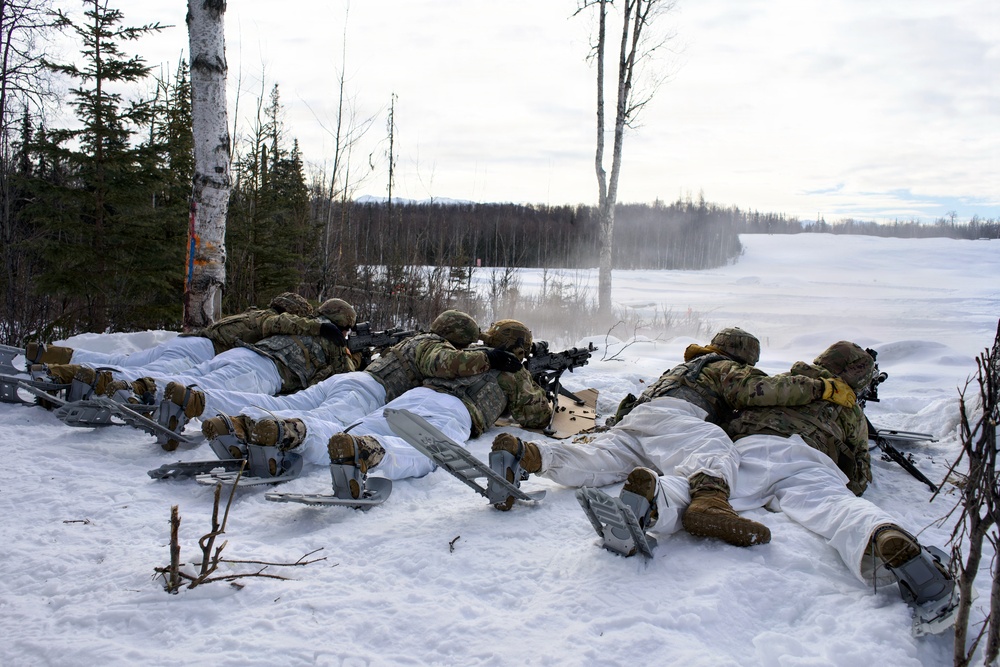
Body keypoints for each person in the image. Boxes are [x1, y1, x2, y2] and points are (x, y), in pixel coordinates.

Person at [590, 342, 955, 631]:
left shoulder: (786, 382)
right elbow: (858, 477)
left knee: (714, 490)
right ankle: (885, 538)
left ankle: (654, 499)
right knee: (836, 505)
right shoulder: (850, 409)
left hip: (750, 446)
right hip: (808, 459)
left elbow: (739, 406)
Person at [488, 327, 858, 544]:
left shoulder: (683, 366)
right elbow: (759, 393)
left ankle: (530, 456)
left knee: (595, 462)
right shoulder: (724, 367)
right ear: (745, 358)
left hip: (635, 423)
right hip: (676, 418)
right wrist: (821, 389)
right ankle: (710, 502)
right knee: (717, 447)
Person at [200, 318, 546, 497]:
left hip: (407, 399)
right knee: (423, 452)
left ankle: (285, 431)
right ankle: (368, 453)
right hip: (450, 412)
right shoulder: (512, 372)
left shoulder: (463, 353)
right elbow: (538, 416)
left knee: (336, 431)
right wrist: (534, 383)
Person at [39, 298, 360, 425]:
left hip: (230, 353)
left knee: (134, 362)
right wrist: (349, 352)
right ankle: (104, 382)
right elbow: (345, 381)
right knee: (195, 389)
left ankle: (68, 361)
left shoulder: (266, 319)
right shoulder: (320, 337)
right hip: (252, 366)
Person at [22, 292, 313, 376]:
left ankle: (53, 354)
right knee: (142, 376)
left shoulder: (253, 312)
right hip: (202, 352)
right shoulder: (270, 320)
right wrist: (319, 328)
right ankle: (68, 374)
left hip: (191, 341)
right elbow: (284, 326)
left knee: (126, 361)